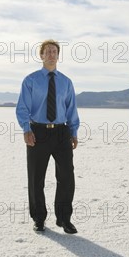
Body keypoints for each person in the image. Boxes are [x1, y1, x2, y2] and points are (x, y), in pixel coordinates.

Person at [15, 39, 80, 233]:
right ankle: (39, 218)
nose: (51, 54)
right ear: (41, 55)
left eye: (54, 51)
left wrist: (73, 131)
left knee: (67, 176)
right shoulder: (31, 80)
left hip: (62, 132)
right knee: (36, 178)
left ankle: (64, 218)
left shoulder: (66, 82)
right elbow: (23, 108)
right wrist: (26, 129)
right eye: (47, 51)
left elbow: (71, 109)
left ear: (58, 56)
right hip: (38, 132)